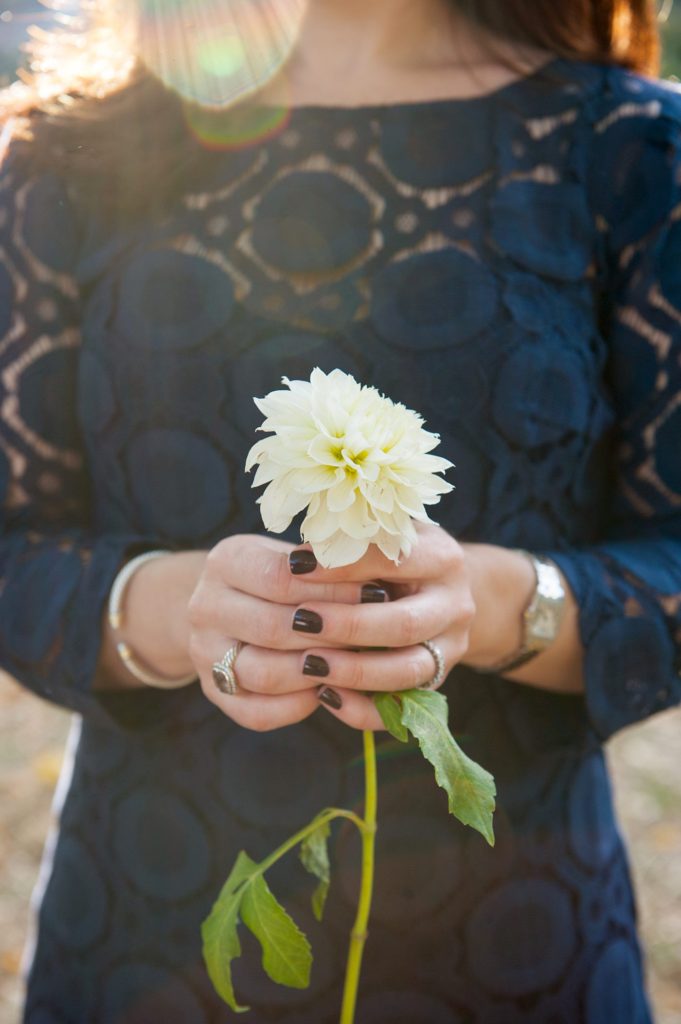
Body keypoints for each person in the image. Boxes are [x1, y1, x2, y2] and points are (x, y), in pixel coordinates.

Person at [1, 0, 679, 1020]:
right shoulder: (71, 151)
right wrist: (172, 605)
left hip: (520, 946)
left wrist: (502, 605)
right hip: (144, 938)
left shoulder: (636, 154)